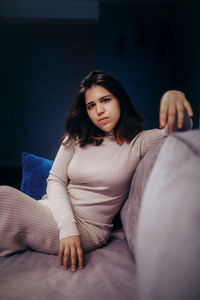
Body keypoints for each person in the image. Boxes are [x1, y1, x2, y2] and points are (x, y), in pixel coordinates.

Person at [0, 70, 193, 273]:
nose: (99, 110)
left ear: (120, 100)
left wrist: (176, 96)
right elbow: (55, 180)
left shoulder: (138, 142)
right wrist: (67, 228)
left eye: (106, 100)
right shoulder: (76, 137)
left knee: (3, 197)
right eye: (91, 105)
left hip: (88, 229)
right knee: (4, 198)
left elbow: (180, 132)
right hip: (54, 212)